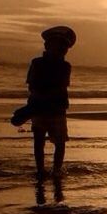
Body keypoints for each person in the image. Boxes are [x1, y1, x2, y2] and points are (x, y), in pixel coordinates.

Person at [24, 26, 75, 178]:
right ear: (47, 46)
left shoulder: (65, 66)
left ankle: (56, 170)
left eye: (64, 47)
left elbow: (61, 86)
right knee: (39, 140)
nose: (62, 49)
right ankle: (41, 170)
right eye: (59, 45)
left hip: (56, 108)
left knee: (59, 142)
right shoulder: (37, 63)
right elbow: (32, 85)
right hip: (40, 107)